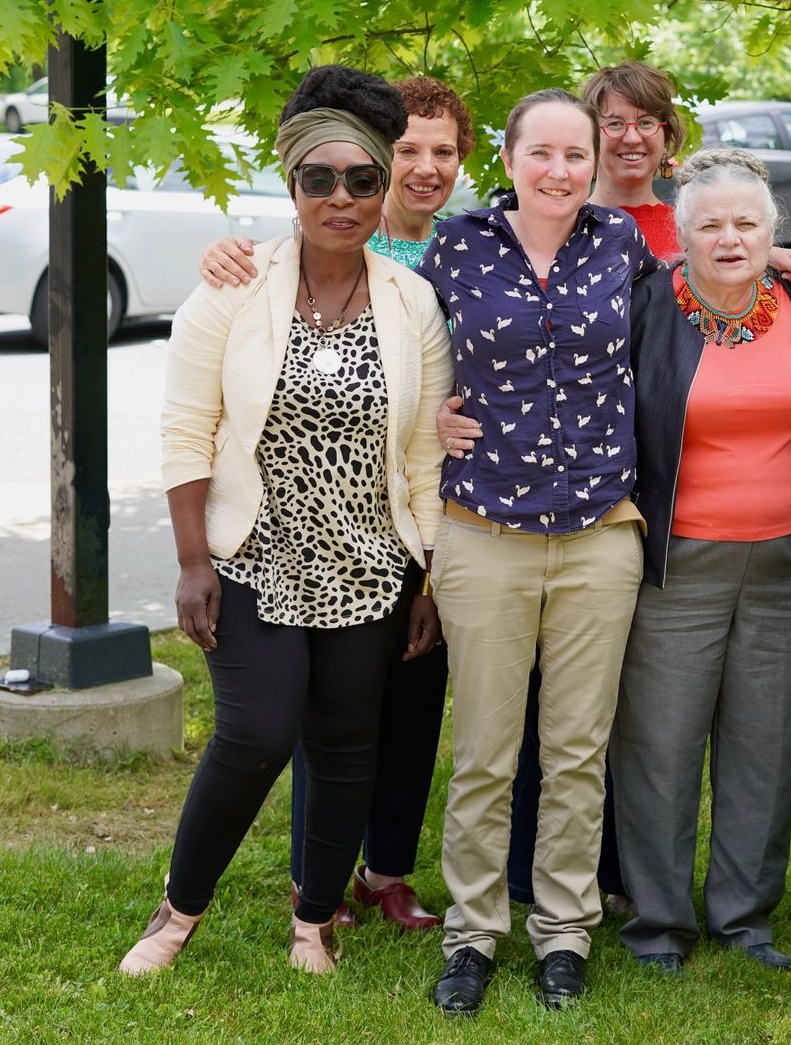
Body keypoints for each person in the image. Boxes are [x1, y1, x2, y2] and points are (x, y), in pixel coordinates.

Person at [122, 65, 452, 975]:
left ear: (384, 189)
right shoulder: (233, 290)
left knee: (348, 744)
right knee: (258, 732)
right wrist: (194, 564)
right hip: (255, 559)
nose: (341, 199)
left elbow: (423, 453)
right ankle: (177, 914)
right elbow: (187, 431)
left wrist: (425, 575)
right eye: (320, 179)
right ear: (292, 183)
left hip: (370, 563)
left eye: (362, 180)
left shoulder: (411, 300)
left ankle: (313, 920)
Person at [196, 75, 474, 932]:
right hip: (283, 543)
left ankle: (376, 873)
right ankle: (302, 881)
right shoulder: (284, 257)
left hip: (401, 532)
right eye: (410, 151)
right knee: (302, 720)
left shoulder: (470, 252)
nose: (423, 169)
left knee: (398, 712)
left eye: (443, 152)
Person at [420, 88, 658, 1016]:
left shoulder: (623, 244)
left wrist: (786, 269)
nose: (560, 172)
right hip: (486, 534)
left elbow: (702, 306)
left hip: (602, 532)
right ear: (512, 160)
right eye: (542, 154)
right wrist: (426, 415)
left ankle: (563, 931)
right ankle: (473, 933)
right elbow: (398, 344)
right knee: (484, 751)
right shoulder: (460, 246)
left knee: (576, 750)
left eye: (576, 155)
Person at [609, 147, 791, 974]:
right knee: (660, 744)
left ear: (773, 233)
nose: (729, 238)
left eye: (748, 223)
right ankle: (659, 923)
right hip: (679, 558)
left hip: (783, 558)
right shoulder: (647, 307)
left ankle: (744, 915)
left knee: (763, 743)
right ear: (682, 232)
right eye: (711, 224)